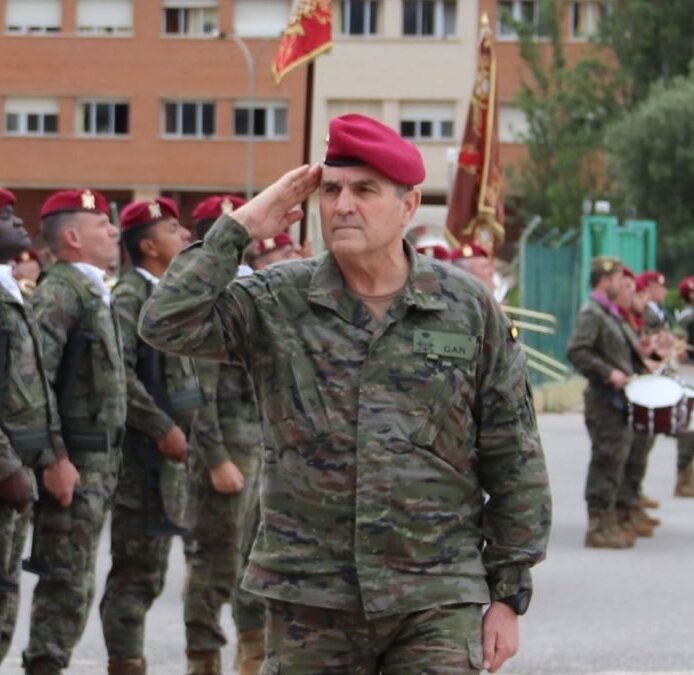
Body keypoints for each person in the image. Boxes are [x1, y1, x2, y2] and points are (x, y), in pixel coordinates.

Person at [140, 113, 551, 674]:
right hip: (311, 596)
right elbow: (164, 322)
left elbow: (514, 453)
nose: (343, 205)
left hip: (434, 593)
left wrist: (507, 594)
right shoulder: (276, 299)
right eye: (330, 190)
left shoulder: (465, 307)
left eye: (365, 190)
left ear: (407, 208)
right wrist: (240, 228)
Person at [22, 189, 127, 675]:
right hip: (74, 463)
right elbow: (33, 381)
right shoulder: (61, 291)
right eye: (101, 223)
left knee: (77, 583)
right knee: (64, 584)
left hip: (97, 464)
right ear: (71, 236)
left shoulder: (91, 290)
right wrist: (54, 458)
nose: (113, 230)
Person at [98, 198, 204, 675]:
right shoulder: (129, 297)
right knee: (135, 574)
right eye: (171, 229)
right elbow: (119, 373)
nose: (183, 235)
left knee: (152, 572)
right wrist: (161, 427)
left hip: (168, 455)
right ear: (147, 245)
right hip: (142, 456)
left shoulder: (164, 293)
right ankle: (126, 663)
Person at [183, 194, 262, 675]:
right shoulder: (203, 297)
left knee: (253, 559)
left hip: (256, 449)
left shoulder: (250, 291)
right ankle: (203, 661)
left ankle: (251, 656)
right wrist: (215, 458)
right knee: (214, 565)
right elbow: (197, 392)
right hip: (226, 453)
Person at [0, 189, 80, 666]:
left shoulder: (11, 291)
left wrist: (52, 455)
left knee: (6, 602)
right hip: (7, 472)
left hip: (19, 476)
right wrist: (7, 466)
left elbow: (35, 390)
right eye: (4, 214)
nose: (16, 219)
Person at [568, 257, 649, 549]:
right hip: (603, 400)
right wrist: (608, 373)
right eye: (617, 279)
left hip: (617, 400)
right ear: (604, 281)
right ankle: (598, 526)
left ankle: (610, 519)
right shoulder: (593, 313)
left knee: (616, 461)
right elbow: (577, 350)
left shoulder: (608, 312)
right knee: (606, 461)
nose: (622, 283)